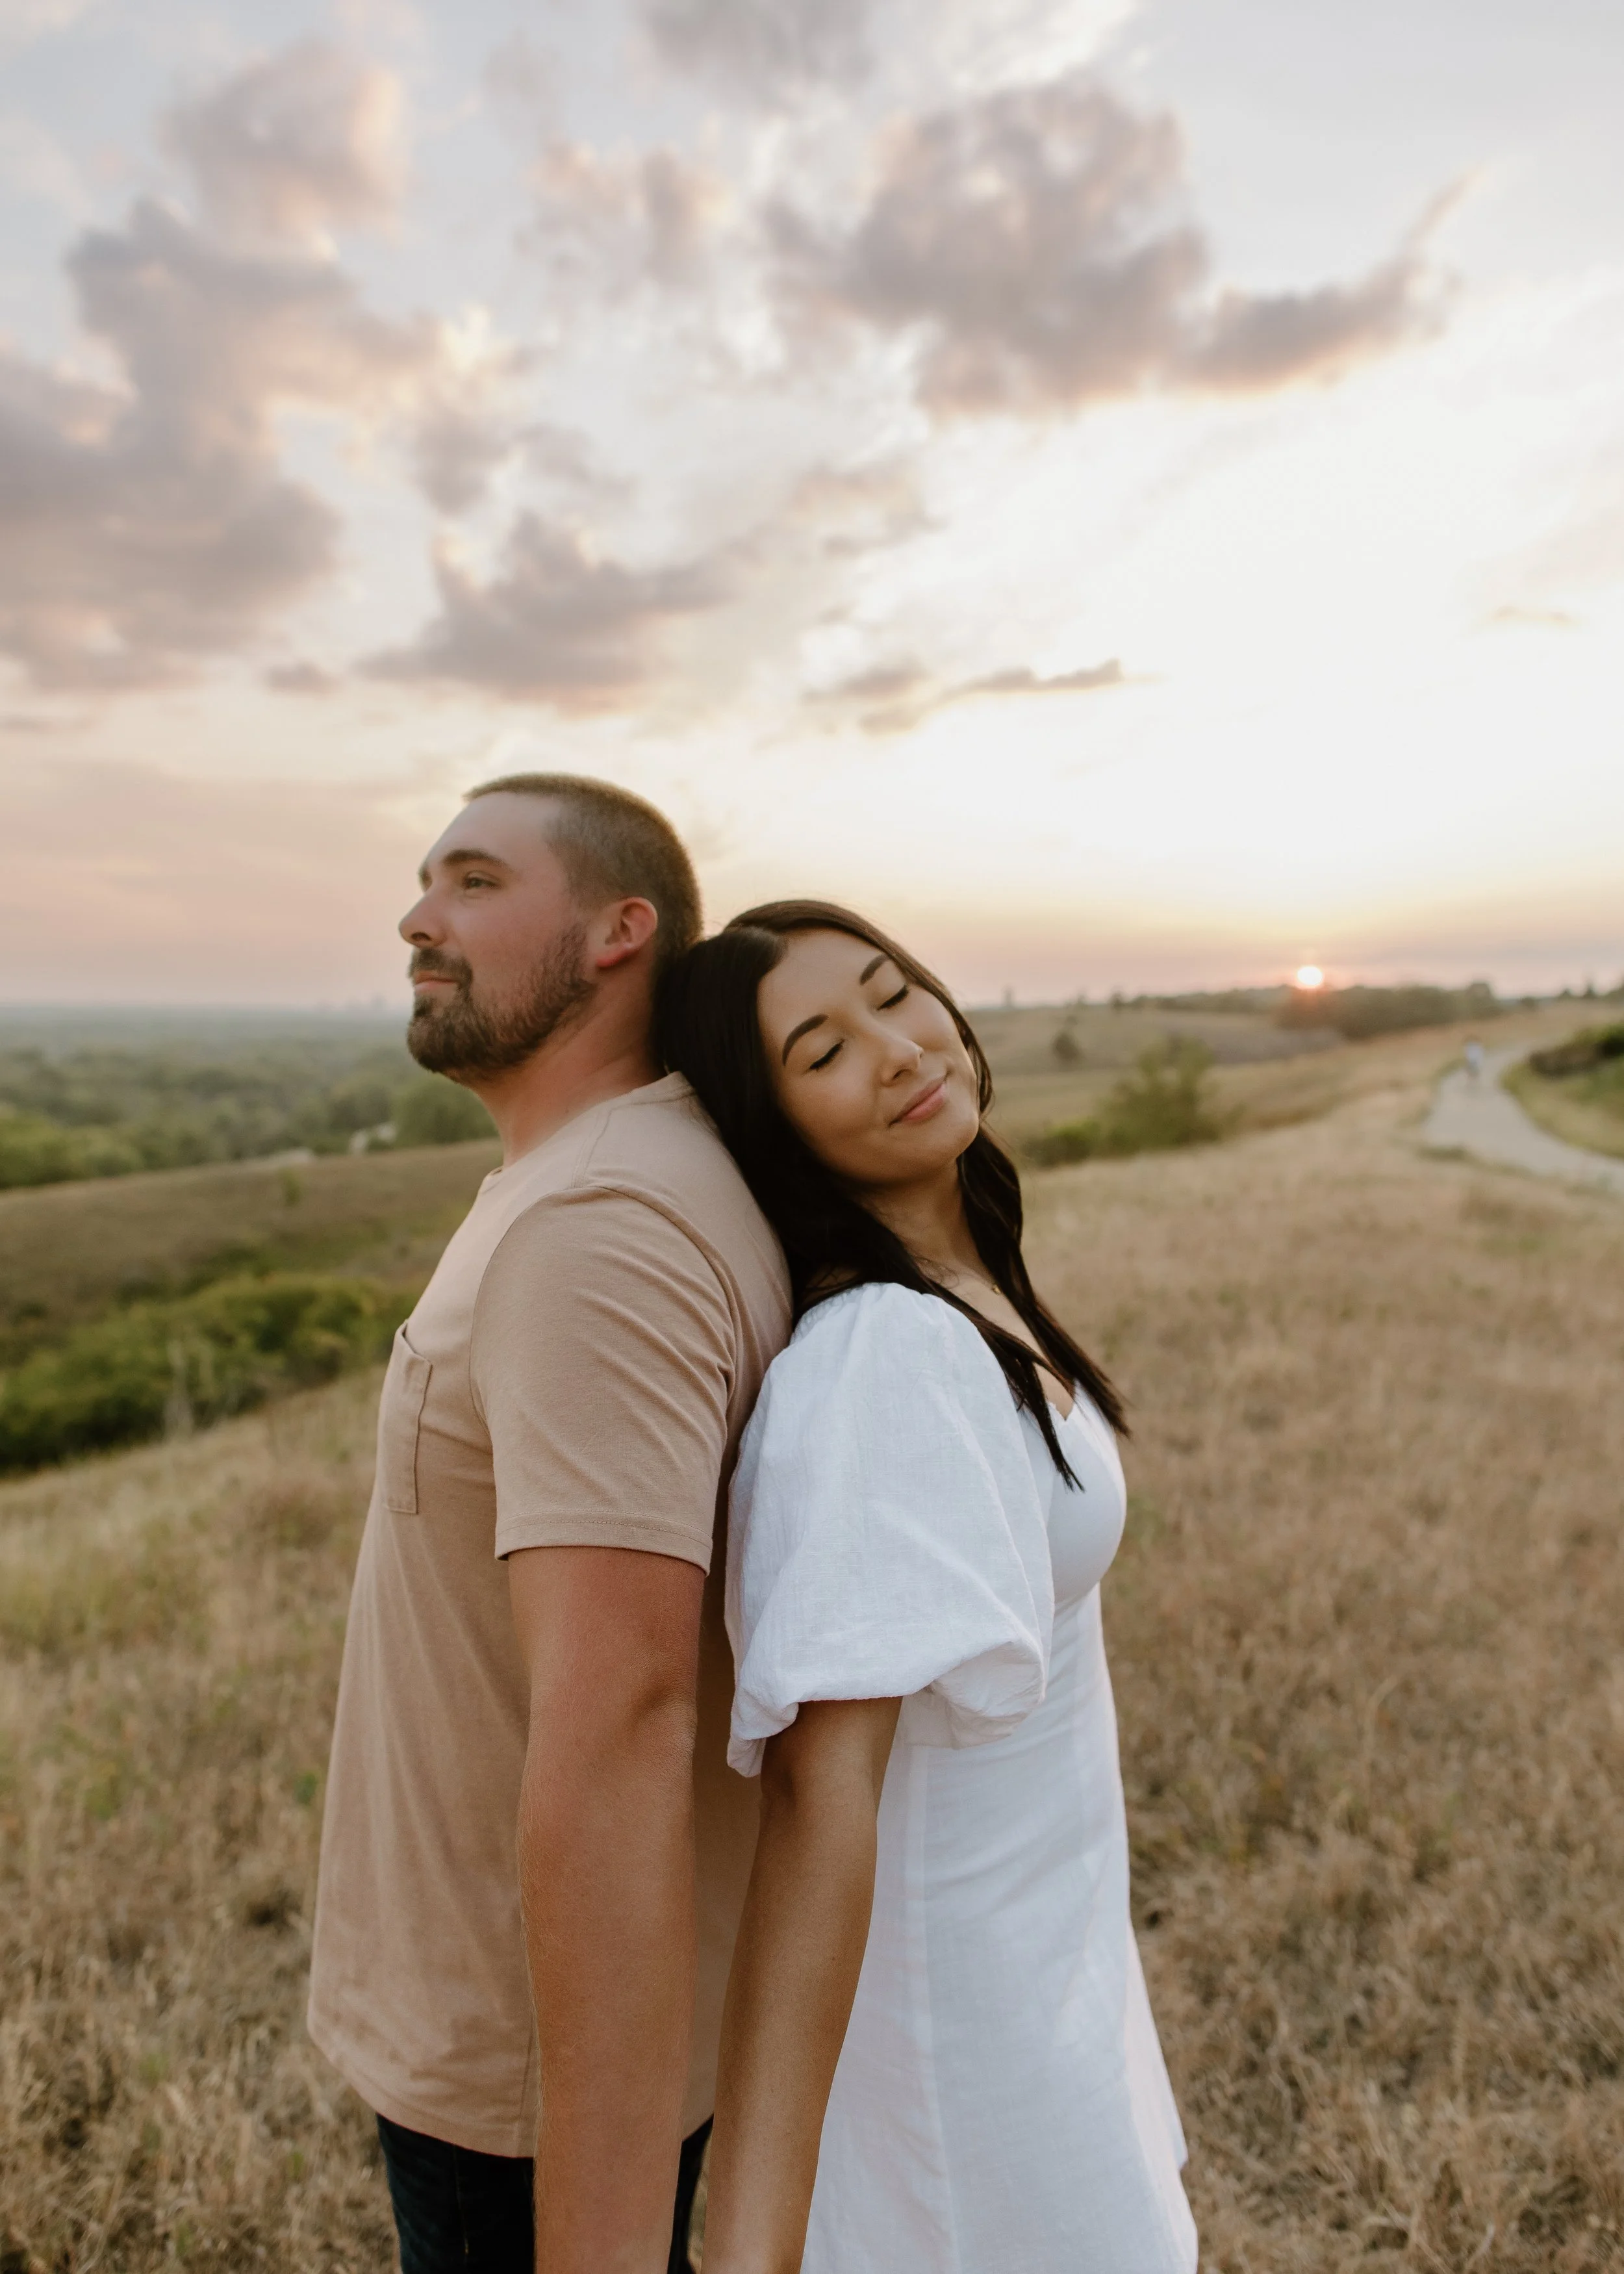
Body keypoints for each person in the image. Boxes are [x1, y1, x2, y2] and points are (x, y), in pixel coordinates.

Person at [658, 901, 1198, 2274]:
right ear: (769, 1125)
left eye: (897, 995)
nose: (900, 1048)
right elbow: (814, 1796)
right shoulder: (880, 1357)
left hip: (1046, 1944)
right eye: (825, 1049)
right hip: (957, 2015)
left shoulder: (964, 1284)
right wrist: (753, 2249)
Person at [306, 776, 790, 2274]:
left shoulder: (597, 1231)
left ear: (613, 931)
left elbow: (627, 1715)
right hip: (530, 2031)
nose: (416, 920)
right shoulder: (601, 1179)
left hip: (524, 2064)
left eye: (469, 882)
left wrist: (594, 2228)